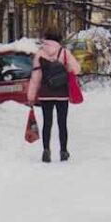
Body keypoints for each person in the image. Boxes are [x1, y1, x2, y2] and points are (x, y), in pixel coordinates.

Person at [27, 27, 81, 163]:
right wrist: (67, 68)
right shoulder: (64, 53)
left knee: (47, 123)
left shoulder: (39, 54)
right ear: (59, 39)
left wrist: (31, 97)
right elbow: (77, 69)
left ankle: (46, 150)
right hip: (62, 93)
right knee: (62, 123)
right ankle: (63, 151)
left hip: (46, 94)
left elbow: (36, 77)